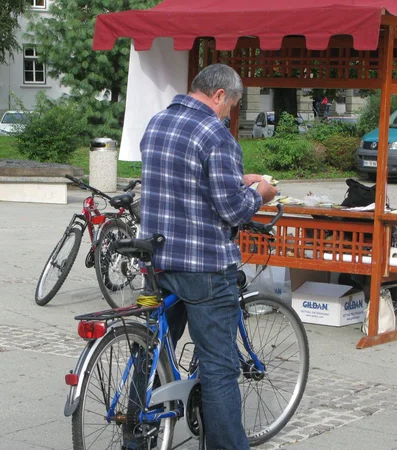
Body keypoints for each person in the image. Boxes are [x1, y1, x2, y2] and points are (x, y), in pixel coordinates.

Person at [137, 63, 277, 450]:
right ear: (219, 96)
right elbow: (232, 211)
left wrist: (237, 179)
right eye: (230, 105)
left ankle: (136, 432)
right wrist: (259, 194)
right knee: (218, 369)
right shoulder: (215, 134)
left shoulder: (157, 123)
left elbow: (183, 183)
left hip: (157, 259)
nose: (229, 114)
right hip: (204, 267)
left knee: (150, 349)